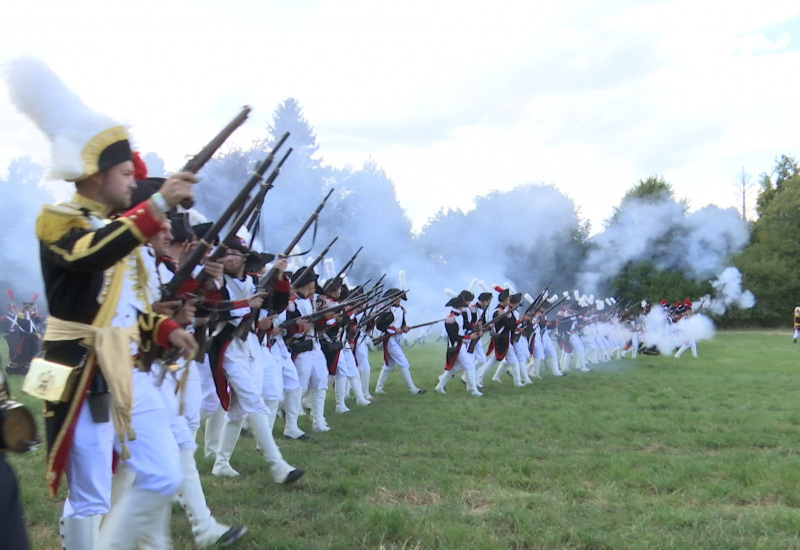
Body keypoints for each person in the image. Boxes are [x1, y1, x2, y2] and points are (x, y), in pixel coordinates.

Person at [5, 56, 199, 549]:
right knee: (89, 495)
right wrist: (156, 208)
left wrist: (166, 330)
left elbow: (136, 306)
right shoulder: (58, 218)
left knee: (163, 474)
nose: (133, 179)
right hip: (80, 370)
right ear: (95, 175)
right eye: (122, 172)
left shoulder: (126, 231)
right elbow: (91, 255)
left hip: (128, 366)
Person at [207, 237, 305, 484]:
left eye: (234, 253)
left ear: (244, 258)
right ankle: (278, 465)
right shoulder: (215, 281)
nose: (228, 257)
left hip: (250, 345)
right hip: (226, 345)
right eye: (225, 253)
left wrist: (280, 276)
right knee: (253, 401)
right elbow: (212, 308)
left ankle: (220, 463)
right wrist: (245, 304)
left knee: (240, 410)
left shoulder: (254, 282)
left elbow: (278, 305)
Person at [374, 288, 426, 394]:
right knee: (404, 363)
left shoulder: (401, 310)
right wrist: (393, 330)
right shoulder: (387, 310)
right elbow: (379, 325)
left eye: (399, 297)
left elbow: (402, 324)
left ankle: (378, 389)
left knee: (389, 366)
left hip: (396, 339)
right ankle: (412, 388)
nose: (398, 299)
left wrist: (405, 328)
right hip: (389, 340)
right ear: (391, 298)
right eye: (395, 297)